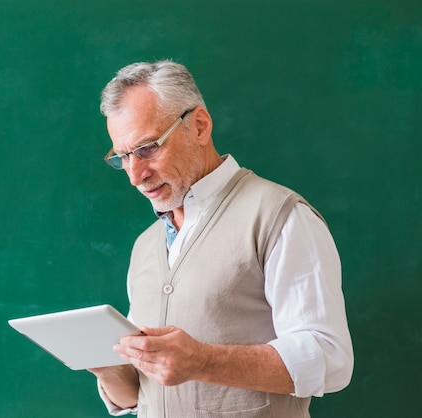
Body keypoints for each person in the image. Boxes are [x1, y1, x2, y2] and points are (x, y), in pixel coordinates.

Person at [88, 60, 354, 418]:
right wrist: (109, 370)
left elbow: (330, 358)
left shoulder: (279, 215)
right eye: (123, 157)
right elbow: (143, 395)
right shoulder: (145, 247)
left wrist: (204, 360)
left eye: (148, 148)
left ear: (199, 126)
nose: (135, 175)